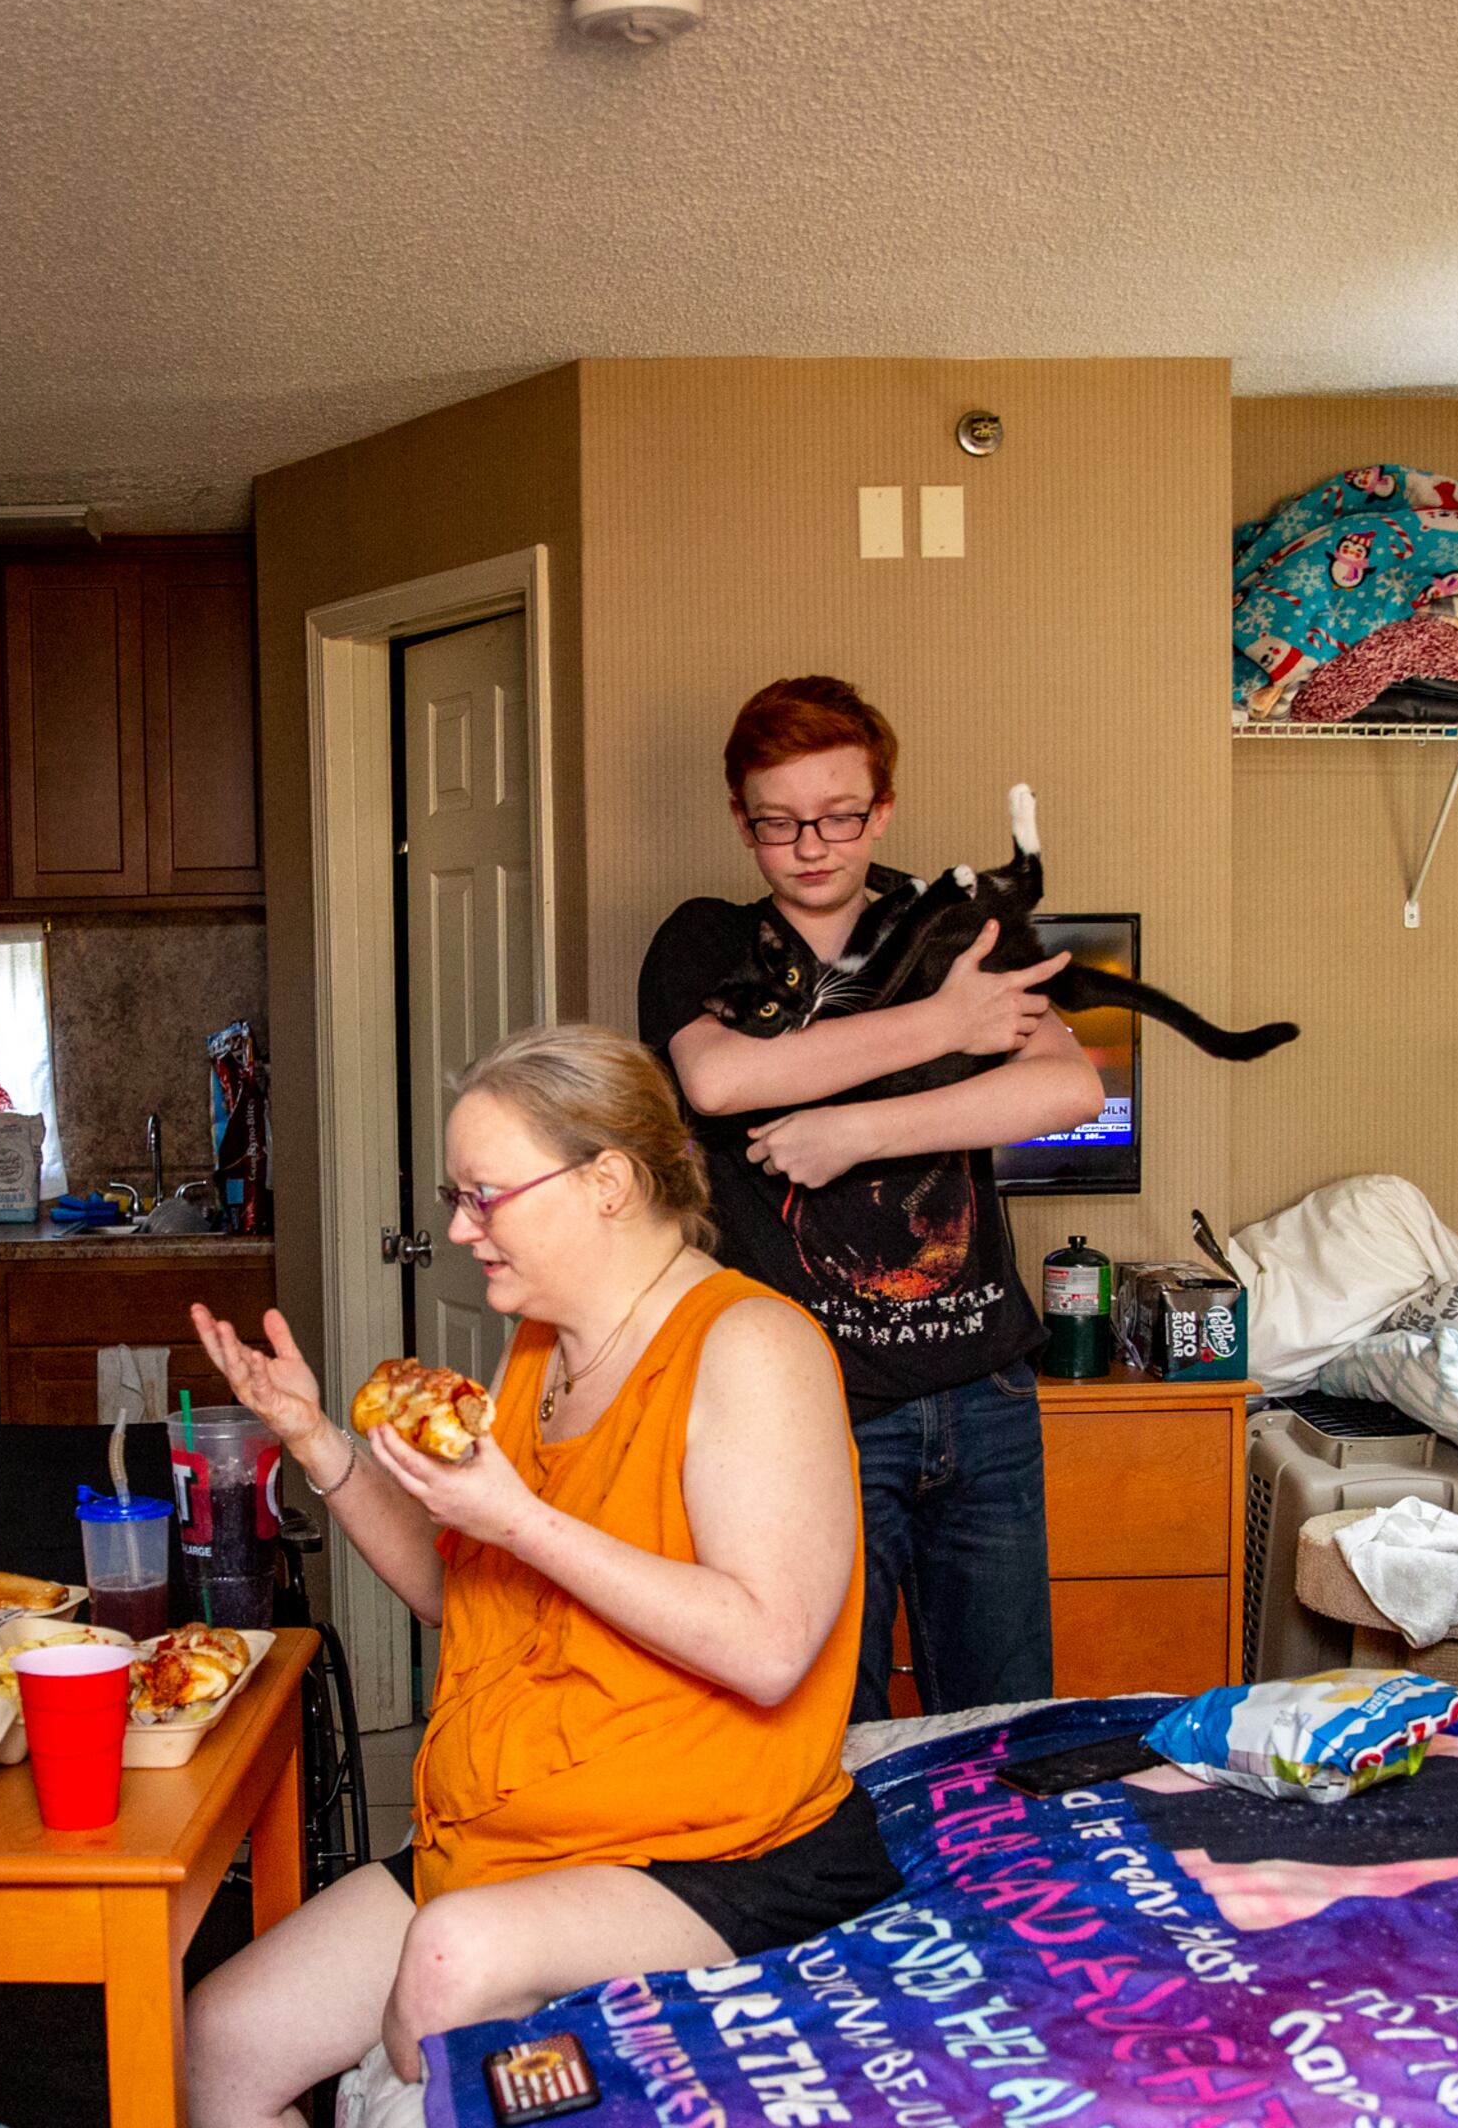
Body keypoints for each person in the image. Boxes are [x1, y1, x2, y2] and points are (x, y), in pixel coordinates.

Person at [178, 1024, 884, 2123]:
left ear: (606, 1181)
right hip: (514, 1834)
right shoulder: (541, 1349)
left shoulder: (751, 1344)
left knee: (452, 1956)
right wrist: (317, 1442)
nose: (461, 1228)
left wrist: (521, 1520)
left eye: (486, 1195)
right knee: (220, 2038)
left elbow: (769, 1645)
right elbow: (469, 1604)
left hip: (713, 1851)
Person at [635, 676, 1104, 1719]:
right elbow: (719, 1080)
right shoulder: (706, 942)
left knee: (1005, 1732)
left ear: (882, 808)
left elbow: (1069, 1085)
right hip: (813, 1408)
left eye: (840, 815)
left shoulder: (947, 927)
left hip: (986, 1394)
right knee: (823, 1727)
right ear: (740, 821)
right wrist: (945, 1027)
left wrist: (854, 1131)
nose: (813, 844)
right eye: (779, 822)